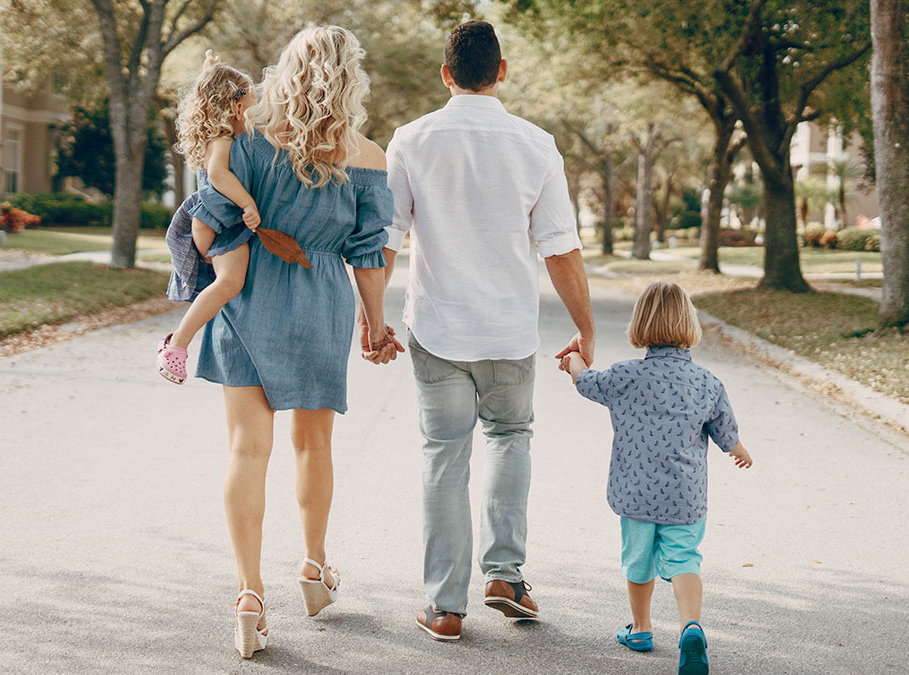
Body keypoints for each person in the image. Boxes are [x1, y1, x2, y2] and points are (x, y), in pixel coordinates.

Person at [191, 26, 401, 659]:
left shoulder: (247, 137)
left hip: (249, 296)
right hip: (321, 303)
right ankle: (313, 565)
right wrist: (375, 322)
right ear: (352, 78)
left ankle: (250, 595)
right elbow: (369, 256)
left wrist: (242, 249)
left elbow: (205, 232)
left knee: (245, 450)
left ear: (286, 69)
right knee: (313, 445)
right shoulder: (367, 156)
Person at [381, 20, 595, 641]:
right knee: (509, 438)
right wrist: (584, 328)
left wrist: (372, 320)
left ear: (446, 74)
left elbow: (386, 241)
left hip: (438, 326)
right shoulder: (537, 145)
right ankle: (505, 574)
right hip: (508, 331)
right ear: (502, 70)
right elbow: (560, 247)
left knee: (443, 457)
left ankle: (445, 606)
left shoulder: (411, 140)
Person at [560, 281, 753, 675]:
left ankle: (642, 628)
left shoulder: (625, 376)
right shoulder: (707, 383)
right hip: (684, 496)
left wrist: (574, 360)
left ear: (640, 324)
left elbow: (585, 382)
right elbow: (726, 434)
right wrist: (739, 452)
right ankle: (691, 626)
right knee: (684, 559)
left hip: (636, 494)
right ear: (690, 325)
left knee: (638, 560)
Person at [158, 51, 263, 384]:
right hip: (219, 221)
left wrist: (211, 71)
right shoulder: (223, 138)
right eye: (252, 101)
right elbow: (218, 174)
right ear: (234, 105)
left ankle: (179, 343)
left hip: (212, 220)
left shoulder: (219, 132)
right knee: (229, 282)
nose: (255, 109)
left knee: (226, 285)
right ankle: (176, 345)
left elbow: (214, 90)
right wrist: (248, 204)